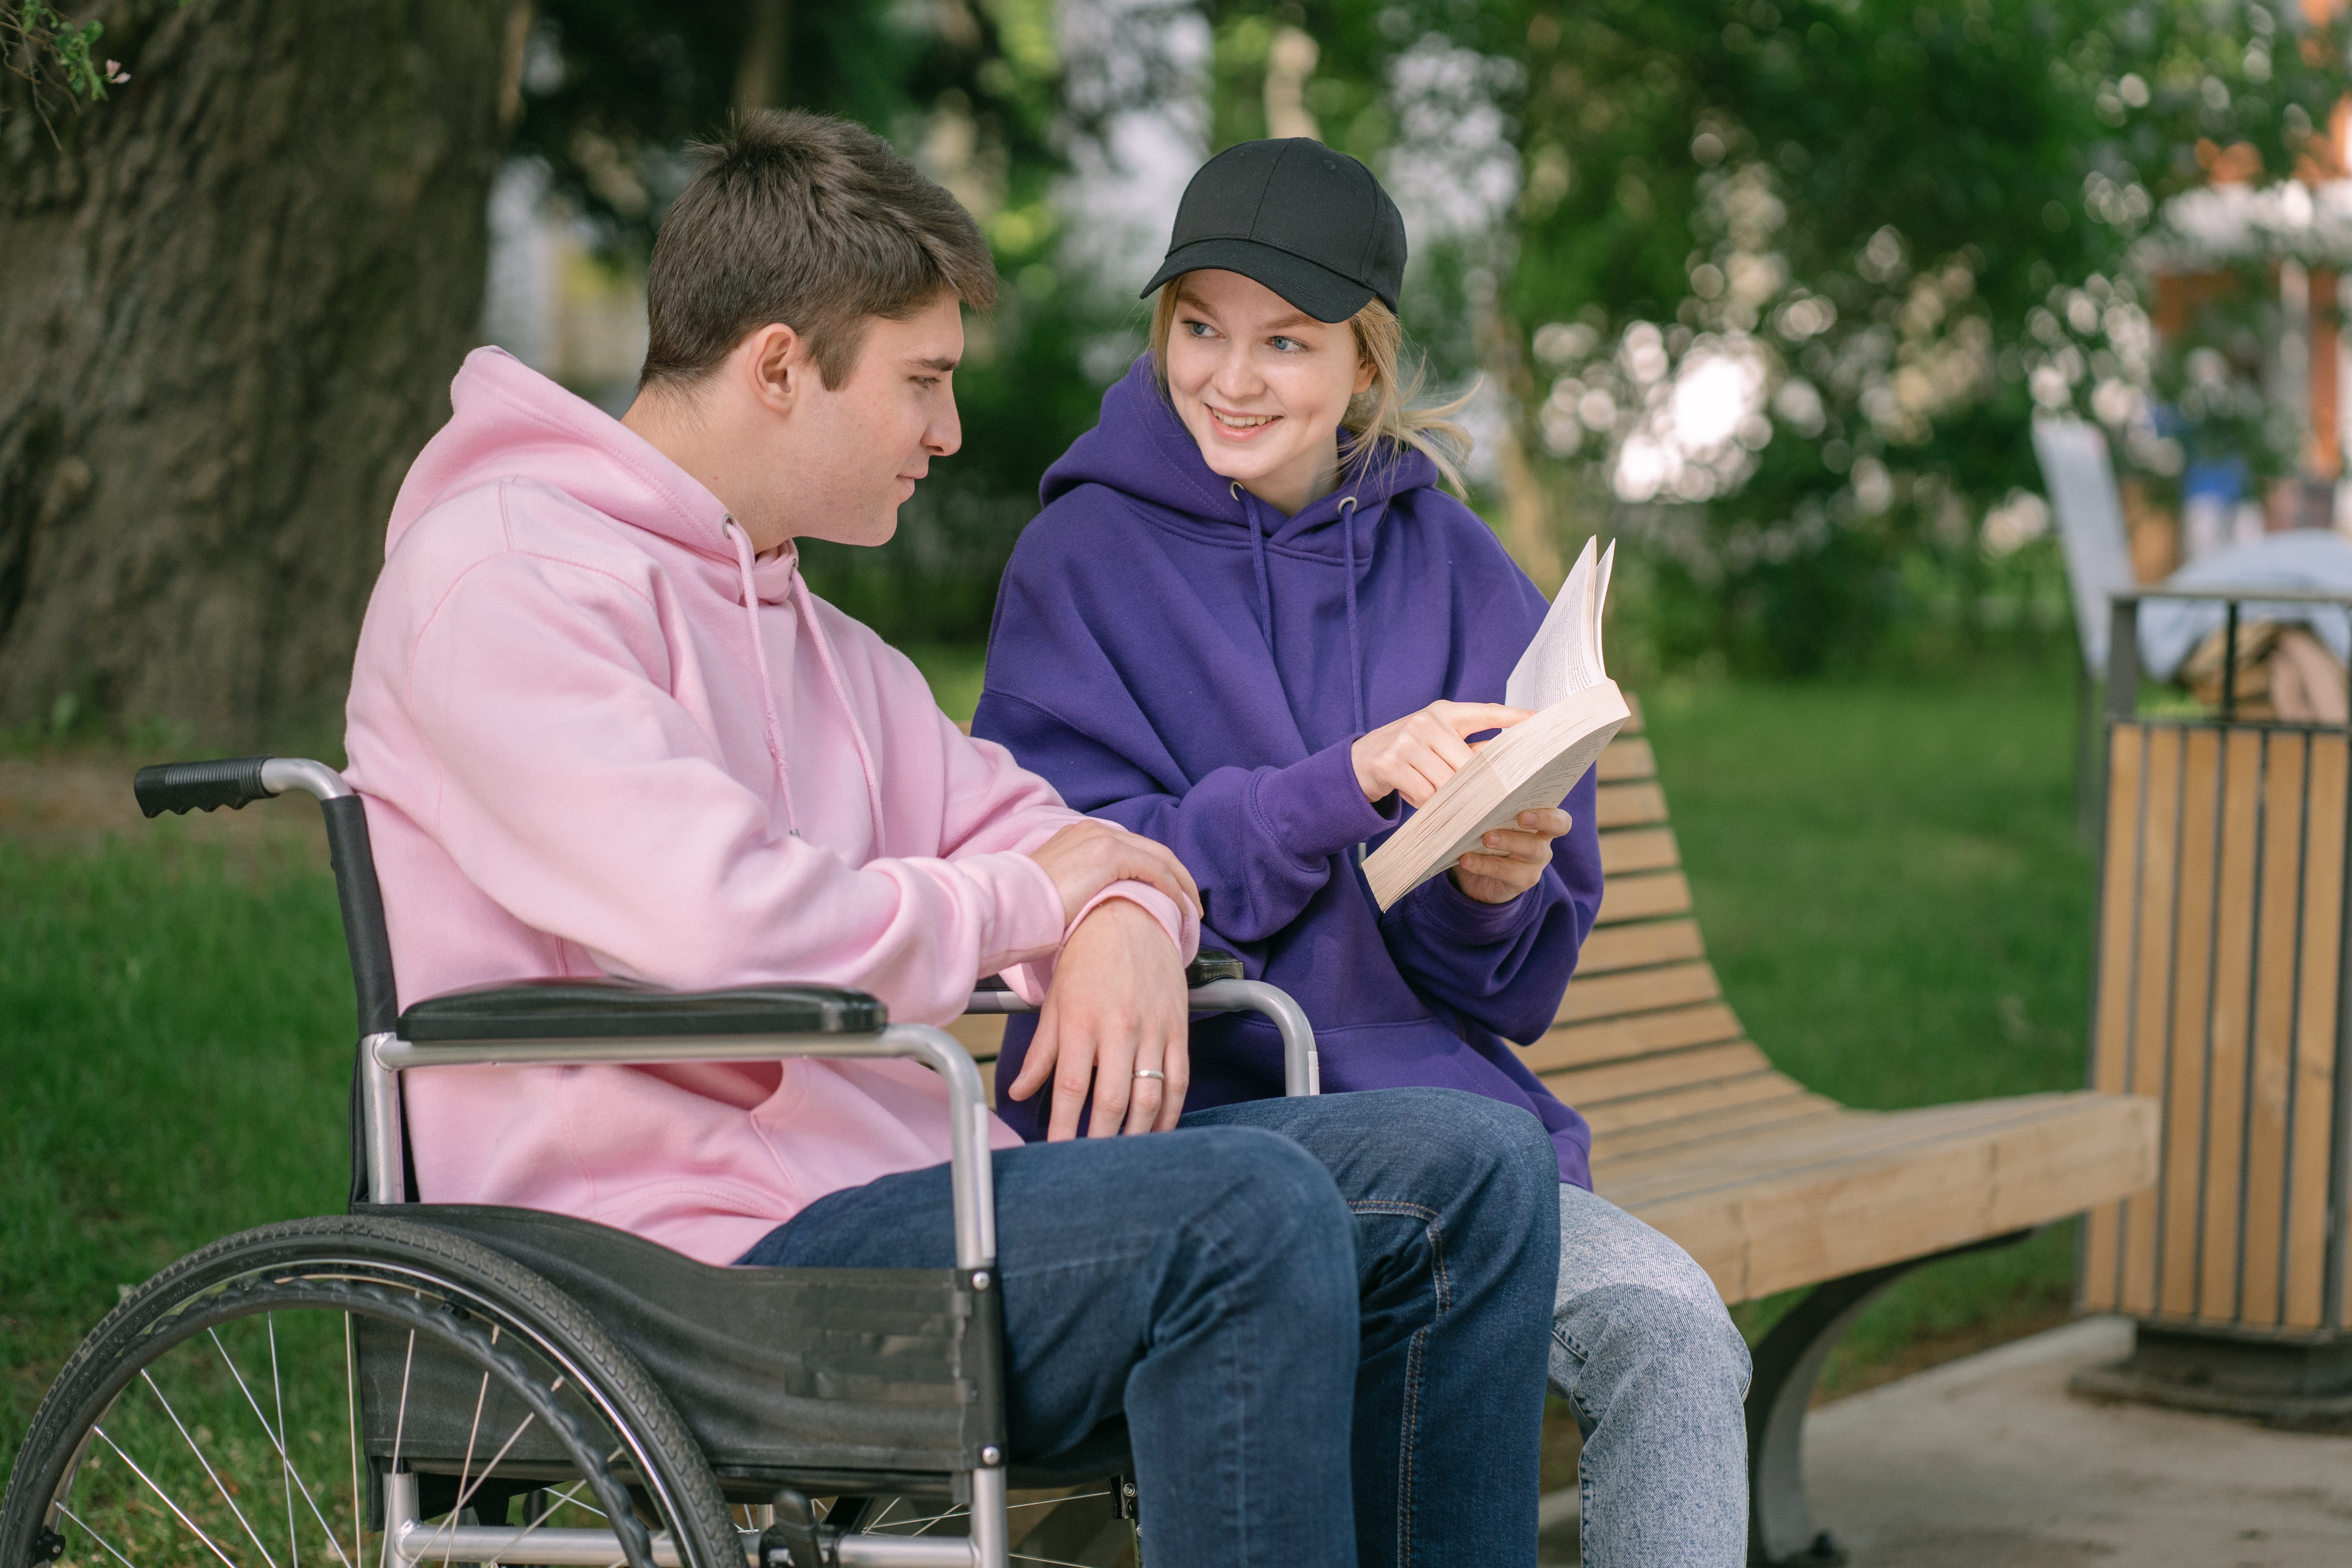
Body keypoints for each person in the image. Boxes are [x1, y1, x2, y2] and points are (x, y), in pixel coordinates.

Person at [341, 111, 1559, 1568]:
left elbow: (1078, 842)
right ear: (781, 367)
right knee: (1241, 1211)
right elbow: (722, 919)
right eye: (924, 382)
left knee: (1474, 1172)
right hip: (669, 1254)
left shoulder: (825, 643)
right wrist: (1019, 906)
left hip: (907, 1194)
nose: (951, 433)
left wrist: (1112, 922)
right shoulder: (503, 583)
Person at [972, 139, 1753, 1566]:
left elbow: (1506, 987)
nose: (1233, 376)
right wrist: (1332, 789)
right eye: (1200, 328)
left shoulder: (1449, 562)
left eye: (1287, 342)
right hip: (1204, 1133)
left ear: (1365, 361)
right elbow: (1067, 857)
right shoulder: (1081, 563)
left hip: (1455, 1145)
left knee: (1674, 1334)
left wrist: (1489, 892)